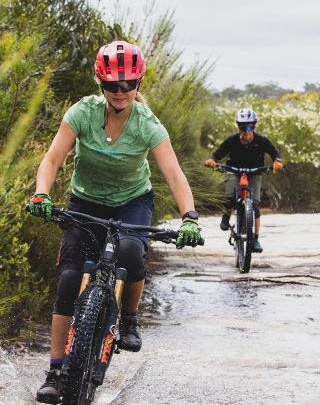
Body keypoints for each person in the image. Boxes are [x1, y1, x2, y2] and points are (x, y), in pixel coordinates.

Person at [28, 40, 201, 403]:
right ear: (100, 83)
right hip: (85, 200)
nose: (120, 92)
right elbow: (52, 159)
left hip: (132, 202)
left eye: (128, 85)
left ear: (139, 84)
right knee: (69, 279)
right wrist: (42, 193)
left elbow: (174, 174)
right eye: (112, 85)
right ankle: (56, 370)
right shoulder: (82, 113)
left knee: (131, 252)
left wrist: (190, 217)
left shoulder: (148, 124)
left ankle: (131, 318)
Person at [205, 108, 283, 253]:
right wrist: (212, 160)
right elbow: (218, 153)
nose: (246, 130)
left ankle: (255, 239)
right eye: (242, 126)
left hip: (255, 172)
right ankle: (227, 214)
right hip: (234, 170)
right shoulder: (232, 140)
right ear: (238, 126)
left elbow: (274, 152)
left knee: (255, 205)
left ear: (254, 126)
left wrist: (277, 161)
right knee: (229, 198)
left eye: (249, 126)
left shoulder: (261, 140)